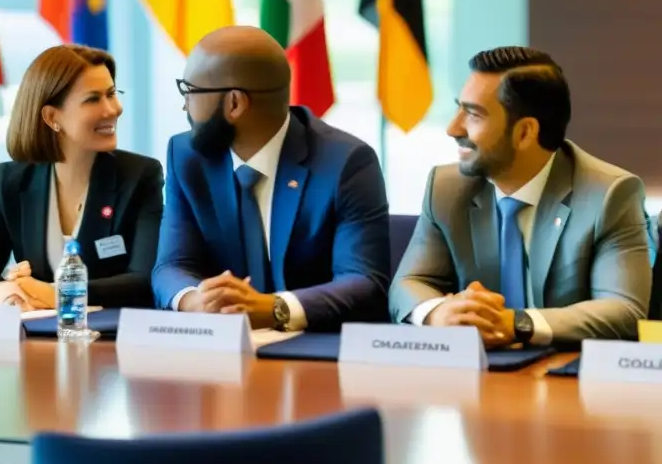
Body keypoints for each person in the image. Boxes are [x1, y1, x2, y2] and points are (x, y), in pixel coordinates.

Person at [390, 47, 651, 346]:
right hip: (472, 376)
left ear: (525, 132)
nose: (453, 128)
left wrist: (516, 323)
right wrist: (439, 313)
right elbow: (409, 282)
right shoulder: (446, 188)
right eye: (458, 108)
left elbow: (624, 309)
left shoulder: (608, 194)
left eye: (473, 114)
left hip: (564, 380)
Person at [152, 26, 391, 331]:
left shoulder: (346, 163)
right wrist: (194, 300)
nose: (184, 105)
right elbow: (172, 265)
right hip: (217, 354)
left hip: (313, 356)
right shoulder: (187, 156)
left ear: (235, 104)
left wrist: (275, 308)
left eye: (190, 91)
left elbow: (363, 282)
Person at [0, 45, 163, 309]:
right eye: (93, 99)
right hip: (37, 340)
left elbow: (144, 281)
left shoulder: (140, 176)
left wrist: (57, 293)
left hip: (108, 341)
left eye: (111, 94)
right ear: (52, 117)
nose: (114, 109)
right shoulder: (11, 180)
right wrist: (5, 291)